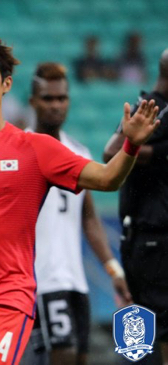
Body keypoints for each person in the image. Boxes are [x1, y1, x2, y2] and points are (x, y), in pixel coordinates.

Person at [0, 37, 158, 365]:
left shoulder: (36, 148)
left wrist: (130, 145)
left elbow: (107, 179)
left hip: (8, 298)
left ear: (6, 83)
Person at [22, 62, 132, 365]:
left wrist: (113, 269)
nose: (55, 105)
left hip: (76, 281)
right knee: (62, 358)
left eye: (61, 98)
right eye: (48, 98)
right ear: (33, 102)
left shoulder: (79, 152)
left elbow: (88, 218)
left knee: (80, 359)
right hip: (41, 280)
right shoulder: (19, 151)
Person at [104, 49, 168, 365]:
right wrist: (157, 152)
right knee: (144, 338)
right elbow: (110, 152)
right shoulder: (156, 108)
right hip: (151, 239)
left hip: (151, 240)